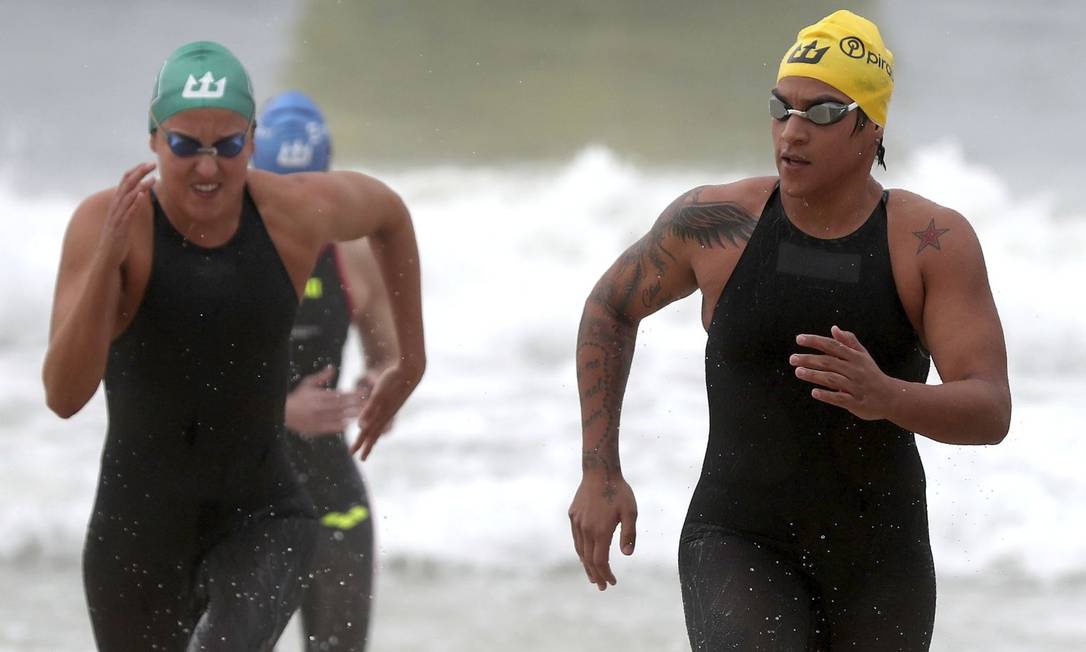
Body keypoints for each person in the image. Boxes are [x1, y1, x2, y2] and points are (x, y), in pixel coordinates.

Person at [568, 10, 1010, 651]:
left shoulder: (929, 244)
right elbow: (609, 308)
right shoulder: (714, 224)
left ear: (871, 128)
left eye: (823, 112)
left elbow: (989, 409)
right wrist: (598, 470)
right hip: (738, 538)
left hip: (880, 557)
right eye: (782, 107)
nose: (792, 131)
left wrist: (887, 396)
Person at [42, 41, 425, 651]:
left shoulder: (291, 213)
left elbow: (389, 214)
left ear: (250, 140)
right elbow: (63, 396)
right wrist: (105, 267)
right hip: (136, 534)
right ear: (152, 138)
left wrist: (409, 363)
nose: (208, 167)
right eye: (185, 145)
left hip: (263, 520)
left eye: (226, 146)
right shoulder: (107, 225)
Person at [252, 90, 395, 651]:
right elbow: (177, 385)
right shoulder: (221, 251)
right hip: (243, 504)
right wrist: (280, 409)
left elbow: (389, 360)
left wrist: (378, 392)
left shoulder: (350, 251)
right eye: (281, 187)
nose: (297, 200)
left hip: (332, 496)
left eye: (309, 186)